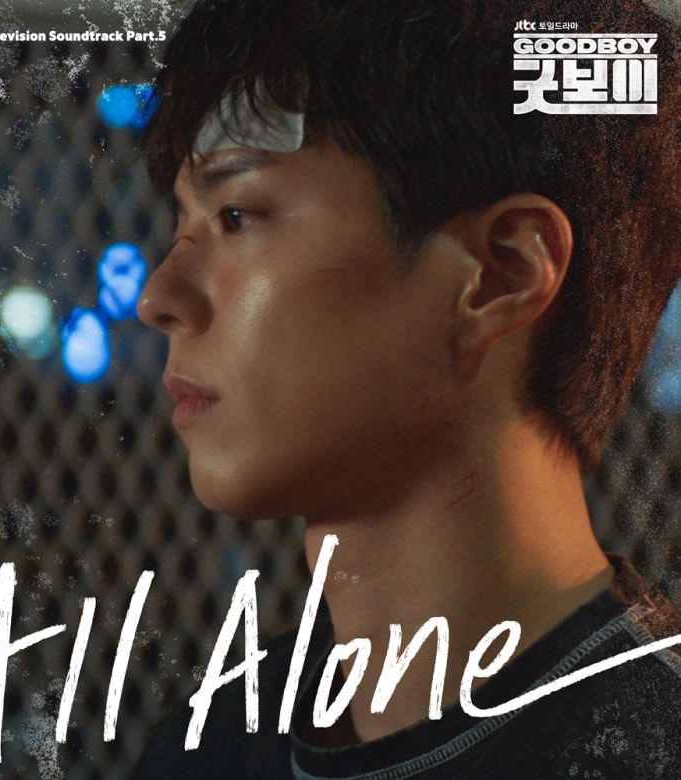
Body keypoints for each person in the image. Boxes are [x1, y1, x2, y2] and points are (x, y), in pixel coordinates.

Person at [133, 1, 681, 776]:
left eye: (237, 216)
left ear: (501, 274)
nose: (158, 297)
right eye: (182, 225)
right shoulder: (213, 737)